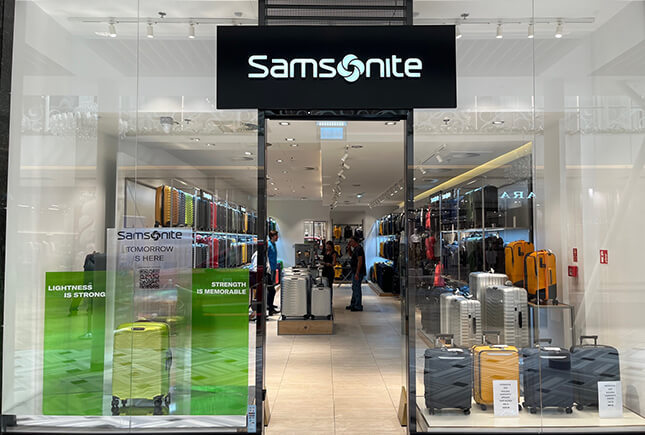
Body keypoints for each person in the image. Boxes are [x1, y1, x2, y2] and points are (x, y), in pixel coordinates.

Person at [346, 236, 366, 312]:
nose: (350, 243)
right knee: (354, 287)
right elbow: (351, 255)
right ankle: (353, 304)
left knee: (357, 288)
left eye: (351, 241)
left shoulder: (359, 249)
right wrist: (349, 249)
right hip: (354, 271)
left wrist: (357, 272)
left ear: (355, 241)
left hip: (358, 272)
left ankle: (358, 305)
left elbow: (360, 261)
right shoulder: (355, 249)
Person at [267, 230, 280, 316]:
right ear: (272, 236)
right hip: (270, 269)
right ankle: (269, 307)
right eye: (276, 236)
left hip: (274, 268)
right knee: (271, 289)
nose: (277, 237)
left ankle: (270, 305)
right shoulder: (268, 245)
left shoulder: (274, 244)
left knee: (272, 288)